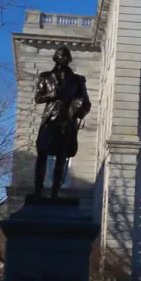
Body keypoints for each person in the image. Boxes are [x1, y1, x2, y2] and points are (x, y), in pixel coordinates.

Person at [33, 46, 90, 199]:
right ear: (55, 58)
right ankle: (38, 189)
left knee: (62, 155)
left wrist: (79, 112)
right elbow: (38, 98)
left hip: (67, 120)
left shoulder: (77, 80)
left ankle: (55, 191)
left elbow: (86, 103)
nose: (63, 58)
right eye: (60, 56)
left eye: (66, 56)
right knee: (42, 153)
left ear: (69, 59)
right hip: (50, 119)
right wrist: (51, 94)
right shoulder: (45, 77)